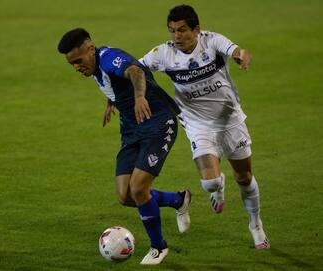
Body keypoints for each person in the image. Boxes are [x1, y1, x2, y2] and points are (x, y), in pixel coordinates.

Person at [139, 4, 270, 249]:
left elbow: (234, 49)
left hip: (230, 120)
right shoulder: (163, 54)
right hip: (197, 123)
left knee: (244, 176)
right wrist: (116, 95)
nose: (176, 36)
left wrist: (241, 55)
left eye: (182, 30)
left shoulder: (212, 42)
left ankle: (255, 223)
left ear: (196, 30)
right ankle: (217, 189)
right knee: (209, 182)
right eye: (172, 31)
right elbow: (134, 68)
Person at [57, 28, 192, 264]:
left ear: (91, 49)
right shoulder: (97, 68)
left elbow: (135, 72)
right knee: (125, 195)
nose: (77, 67)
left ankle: (158, 247)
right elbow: (116, 82)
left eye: (78, 61)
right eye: (72, 64)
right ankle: (177, 200)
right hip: (132, 129)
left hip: (158, 122)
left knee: (139, 189)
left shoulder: (109, 58)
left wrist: (140, 98)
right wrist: (113, 100)